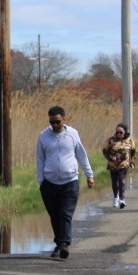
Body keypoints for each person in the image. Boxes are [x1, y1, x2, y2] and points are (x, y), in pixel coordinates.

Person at [36, 106, 94, 259]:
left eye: (57, 122)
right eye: (52, 122)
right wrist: (41, 181)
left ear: (64, 119)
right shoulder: (43, 136)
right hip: (50, 183)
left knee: (65, 213)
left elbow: (81, 155)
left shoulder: (72, 134)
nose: (55, 125)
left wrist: (89, 175)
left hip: (70, 181)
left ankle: (65, 244)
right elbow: (40, 159)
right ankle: (59, 244)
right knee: (54, 215)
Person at [102, 123, 135, 209]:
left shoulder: (129, 140)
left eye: (121, 132)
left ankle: (122, 199)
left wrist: (132, 161)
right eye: (117, 132)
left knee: (121, 180)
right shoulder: (111, 140)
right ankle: (115, 197)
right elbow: (105, 150)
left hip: (124, 164)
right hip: (113, 165)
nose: (119, 134)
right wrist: (110, 157)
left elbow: (133, 151)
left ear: (125, 132)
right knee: (114, 182)